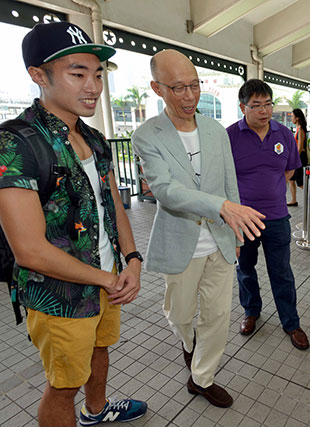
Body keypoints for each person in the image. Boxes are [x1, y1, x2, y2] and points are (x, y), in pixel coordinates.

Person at [0, 22, 147, 426]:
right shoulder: (16, 142)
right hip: (59, 293)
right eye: (77, 73)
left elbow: (112, 200)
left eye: (98, 74)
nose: (93, 87)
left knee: (100, 350)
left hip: (107, 278)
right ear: (38, 76)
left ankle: (96, 413)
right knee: (62, 385)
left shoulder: (94, 137)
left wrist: (131, 259)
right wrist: (104, 279)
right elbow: (28, 249)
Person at [132, 50, 265, 408]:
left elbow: (229, 185)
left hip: (219, 241)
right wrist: (219, 206)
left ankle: (202, 378)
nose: (190, 96)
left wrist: (235, 231)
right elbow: (165, 191)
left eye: (194, 85)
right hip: (180, 244)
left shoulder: (215, 130)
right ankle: (187, 342)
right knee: (180, 316)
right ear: (157, 88)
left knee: (218, 315)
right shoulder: (147, 135)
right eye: (178, 88)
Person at [227, 79, 310, 350]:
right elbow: (223, 176)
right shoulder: (230, 136)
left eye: (268, 104)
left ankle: (291, 322)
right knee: (246, 269)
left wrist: (270, 191)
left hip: (277, 217)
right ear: (243, 107)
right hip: (243, 219)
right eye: (256, 105)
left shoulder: (284, 134)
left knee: (282, 271)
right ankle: (251, 312)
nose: (264, 111)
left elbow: (289, 171)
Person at [287, 109, 308, 206]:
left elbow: (300, 147)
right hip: (298, 156)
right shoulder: (298, 129)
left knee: (300, 183)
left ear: (297, 118)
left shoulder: (300, 130)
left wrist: (294, 159)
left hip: (299, 157)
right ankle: (293, 200)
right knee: (292, 180)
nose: (291, 118)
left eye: (292, 116)